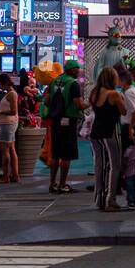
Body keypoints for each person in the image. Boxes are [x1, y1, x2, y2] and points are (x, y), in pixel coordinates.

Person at [88, 67, 127, 211]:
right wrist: (122, 98)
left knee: (99, 165)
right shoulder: (114, 94)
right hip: (110, 131)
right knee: (114, 165)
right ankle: (110, 199)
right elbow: (124, 111)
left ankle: (99, 199)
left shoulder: (94, 93)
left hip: (95, 132)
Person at [46, 60, 86, 194]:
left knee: (56, 153)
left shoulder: (54, 81)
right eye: (77, 69)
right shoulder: (73, 84)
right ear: (72, 70)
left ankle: (52, 184)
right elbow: (79, 105)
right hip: (68, 120)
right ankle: (63, 184)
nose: (79, 71)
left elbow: (46, 100)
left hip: (56, 120)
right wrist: (92, 103)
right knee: (66, 154)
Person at [0, 72, 20, 183]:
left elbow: (13, 111)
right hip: (9, 123)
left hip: (8, 124)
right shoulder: (9, 93)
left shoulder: (11, 94)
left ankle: (5, 176)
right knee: (11, 149)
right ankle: (15, 175)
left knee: (5, 150)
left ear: (2, 82)